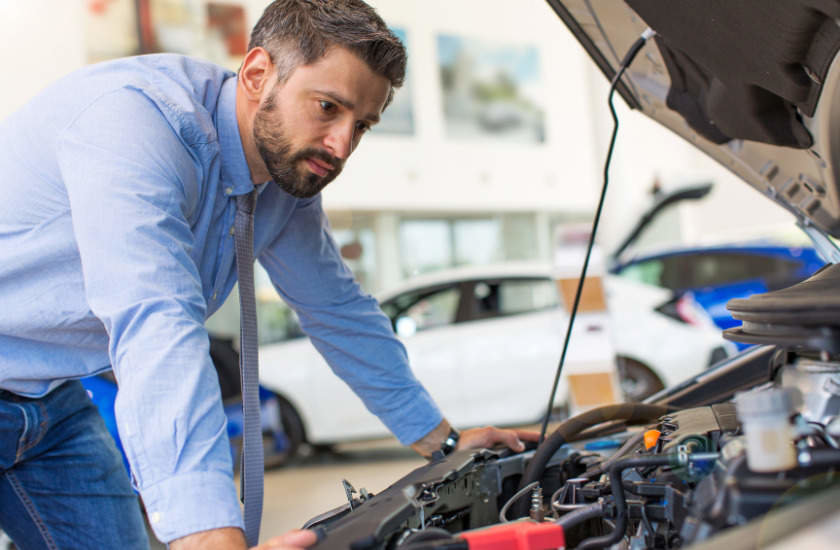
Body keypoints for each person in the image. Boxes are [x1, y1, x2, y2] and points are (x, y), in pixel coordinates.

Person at [0, 1, 536, 549]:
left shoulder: (283, 179)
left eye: (363, 126)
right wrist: (211, 539)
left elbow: (337, 309)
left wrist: (446, 445)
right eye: (328, 107)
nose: (341, 145)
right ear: (257, 74)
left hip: (49, 403)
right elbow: (157, 322)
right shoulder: (134, 124)